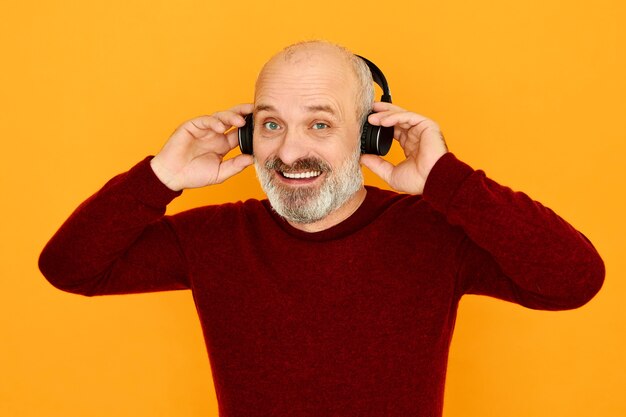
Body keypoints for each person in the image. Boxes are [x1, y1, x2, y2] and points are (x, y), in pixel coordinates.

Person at [39, 40, 605, 417]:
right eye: (271, 124)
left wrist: (446, 180)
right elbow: (69, 268)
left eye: (320, 122)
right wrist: (161, 176)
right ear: (248, 135)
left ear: (369, 135)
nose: (290, 149)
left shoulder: (434, 232)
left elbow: (573, 279)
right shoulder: (212, 239)